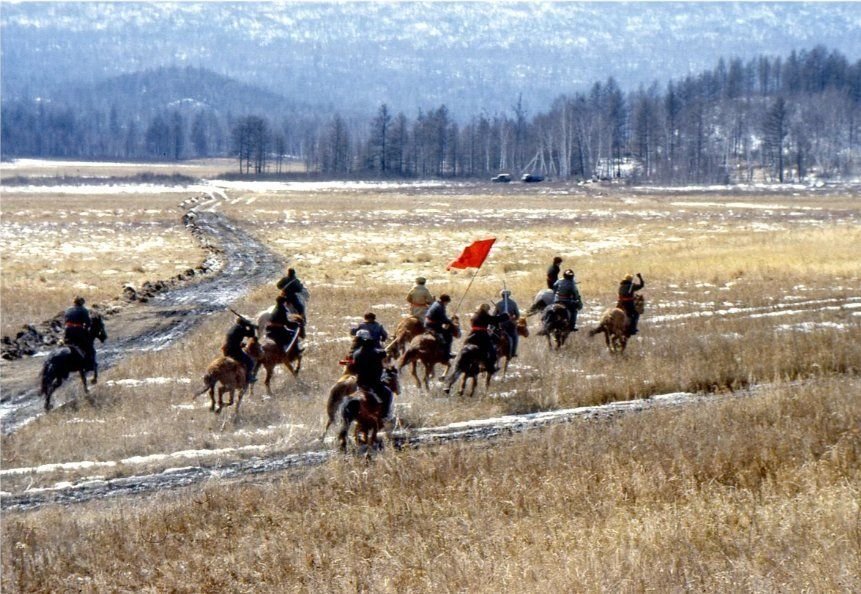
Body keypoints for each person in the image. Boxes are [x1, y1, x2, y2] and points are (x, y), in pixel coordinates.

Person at [352, 329, 394, 420]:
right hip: (373, 383)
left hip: (360, 383)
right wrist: (383, 352)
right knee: (388, 394)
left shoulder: (356, 353)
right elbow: (381, 355)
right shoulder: (375, 353)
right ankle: (385, 415)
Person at [465, 303, 508, 374]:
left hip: (472, 333)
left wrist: (485, 328)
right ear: (485, 309)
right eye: (488, 310)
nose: (488, 311)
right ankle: (490, 368)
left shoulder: (474, 315)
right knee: (492, 352)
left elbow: (478, 323)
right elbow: (494, 320)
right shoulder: (484, 315)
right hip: (482, 335)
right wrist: (505, 316)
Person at [63, 296, 95, 371]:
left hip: (67, 330)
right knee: (88, 348)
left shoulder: (68, 309)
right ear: (82, 303)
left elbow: (65, 321)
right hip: (77, 330)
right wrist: (86, 330)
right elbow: (88, 323)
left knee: (65, 343)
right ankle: (89, 365)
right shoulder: (83, 310)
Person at [222, 315, 257, 384]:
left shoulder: (234, 327)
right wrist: (251, 326)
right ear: (244, 323)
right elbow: (251, 335)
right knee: (250, 362)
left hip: (227, 349)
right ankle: (248, 377)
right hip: (234, 351)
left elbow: (233, 339)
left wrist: (240, 345)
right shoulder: (241, 329)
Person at [425, 294, 455, 359]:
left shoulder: (436, 303)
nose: (447, 304)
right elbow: (444, 319)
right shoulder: (440, 307)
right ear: (445, 301)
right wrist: (450, 321)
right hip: (433, 326)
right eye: (447, 302)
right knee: (448, 336)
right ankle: (447, 354)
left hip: (427, 323)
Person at [493, 289, 521, 358]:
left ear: (502, 295)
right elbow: (517, 315)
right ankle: (513, 353)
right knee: (515, 337)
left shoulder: (498, 303)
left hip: (500, 325)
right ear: (509, 295)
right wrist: (513, 319)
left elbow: (494, 315)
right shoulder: (513, 303)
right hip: (510, 325)